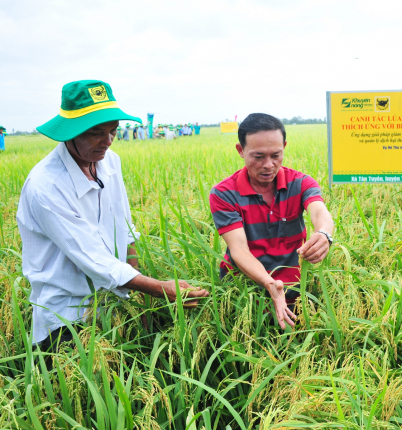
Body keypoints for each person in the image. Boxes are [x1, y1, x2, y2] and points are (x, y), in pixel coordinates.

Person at [17, 80, 209, 355]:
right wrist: (157, 288)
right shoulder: (46, 186)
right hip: (65, 315)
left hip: (112, 305)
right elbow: (91, 256)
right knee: (72, 391)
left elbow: (124, 227)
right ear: (70, 133)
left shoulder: (110, 161)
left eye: (113, 131)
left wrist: (138, 296)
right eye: (96, 132)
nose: (107, 141)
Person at [210, 113, 334, 329]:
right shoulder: (224, 193)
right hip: (243, 289)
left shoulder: (300, 183)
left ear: (284, 146)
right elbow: (238, 249)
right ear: (240, 151)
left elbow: (319, 212)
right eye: (258, 157)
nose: (268, 165)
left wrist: (324, 233)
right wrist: (268, 283)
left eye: (276, 155)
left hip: (294, 283)